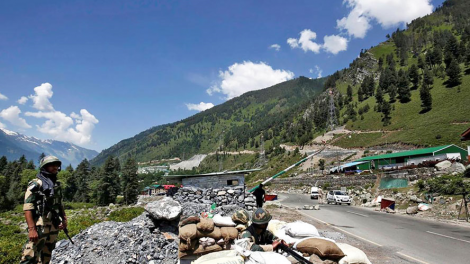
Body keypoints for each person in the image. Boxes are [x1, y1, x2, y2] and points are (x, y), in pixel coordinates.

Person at [20, 156, 67, 264]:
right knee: (29, 256)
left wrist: (64, 219)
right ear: (45, 167)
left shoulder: (56, 184)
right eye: (52, 165)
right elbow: (28, 207)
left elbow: (59, 204)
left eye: (57, 165)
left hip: (53, 225)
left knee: (47, 255)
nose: (55, 167)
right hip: (40, 225)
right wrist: (32, 229)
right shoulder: (36, 184)